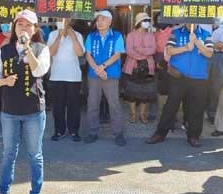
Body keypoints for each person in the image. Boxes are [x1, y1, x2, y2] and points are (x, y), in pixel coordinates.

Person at [0, 9, 50, 194]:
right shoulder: (4, 51)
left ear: (35, 29)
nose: (23, 27)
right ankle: (4, 193)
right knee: (8, 154)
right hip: (9, 111)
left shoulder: (41, 49)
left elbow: (39, 71)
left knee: (35, 155)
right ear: (14, 28)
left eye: (28, 24)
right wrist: (4, 81)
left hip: (33, 110)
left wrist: (27, 50)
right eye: (19, 24)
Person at [146, 23, 214, 147]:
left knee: (196, 108)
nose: (191, 22)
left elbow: (209, 53)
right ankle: (160, 133)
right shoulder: (175, 33)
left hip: (198, 77)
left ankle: (194, 136)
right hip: (178, 76)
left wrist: (198, 43)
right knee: (171, 106)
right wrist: (186, 47)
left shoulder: (206, 34)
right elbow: (169, 50)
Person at [84, 10, 126, 146]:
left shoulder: (117, 36)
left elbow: (117, 54)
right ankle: (92, 132)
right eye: (98, 20)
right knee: (92, 104)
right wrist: (97, 68)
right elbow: (88, 55)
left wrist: (102, 66)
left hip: (111, 74)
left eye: (102, 19)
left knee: (114, 104)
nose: (99, 22)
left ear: (110, 21)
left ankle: (118, 133)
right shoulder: (91, 36)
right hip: (94, 74)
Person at [47, 18, 85, 141]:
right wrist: (59, 36)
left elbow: (80, 53)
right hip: (56, 75)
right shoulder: (53, 34)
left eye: (65, 19)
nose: (62, 21)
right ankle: (59, 131)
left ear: (70, 20)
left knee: (73, 105)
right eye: (59, 19)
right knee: (58, 106)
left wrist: (72, 36)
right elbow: (51, 53)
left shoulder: (77, 34)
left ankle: (74, 131)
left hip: (73, 76)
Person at [122, 12, 156, 124]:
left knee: (146, 93)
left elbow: (152, 50)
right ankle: (133, 114)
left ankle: (142, 114)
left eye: (148, 21)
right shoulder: (131, 35)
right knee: (131, 93)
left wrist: (139, 50)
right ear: (139, 22)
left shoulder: (151, 35)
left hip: (148, 68)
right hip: (132, 67)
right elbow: (129, 51)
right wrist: (144, 54)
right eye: (144, 20)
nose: (147, 22)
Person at [205, 16, 223, 124]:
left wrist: (204, 43)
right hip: (202, 56)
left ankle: (212, 113)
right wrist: (213, 44)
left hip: (218, 57)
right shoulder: (202, 23)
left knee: (216, 86)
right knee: (200, 84)